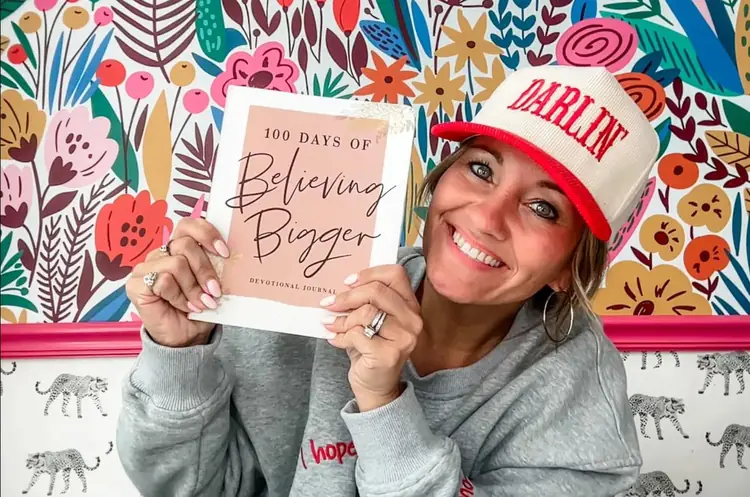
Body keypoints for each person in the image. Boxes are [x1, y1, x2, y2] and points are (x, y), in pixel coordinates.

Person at [117, 65, 657, 497]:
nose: (487, 218)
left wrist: (384, 401)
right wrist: (178, 356)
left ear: (571, 267)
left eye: (542, 207)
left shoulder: (576, 391)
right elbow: (191, 488)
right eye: (481, 169)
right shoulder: (301, 287)